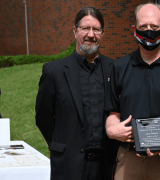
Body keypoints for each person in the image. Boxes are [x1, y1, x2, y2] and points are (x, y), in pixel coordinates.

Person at [105, 2, 160, 180]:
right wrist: (111, 130)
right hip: (129, 159)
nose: (149, 31)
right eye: (143, 27)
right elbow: (113, 112)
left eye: (154, 26)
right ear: (134, 29)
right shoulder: (120, 67)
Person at [35, 7, 118, 180]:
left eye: (96, 29)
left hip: (107, 165)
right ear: (75, 31)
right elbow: (43, 118)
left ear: (102, 33)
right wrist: (61, 145)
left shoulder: (115, 69)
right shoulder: (54, 72)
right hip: (68, 165)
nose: (90, 34)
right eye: (85, 28)